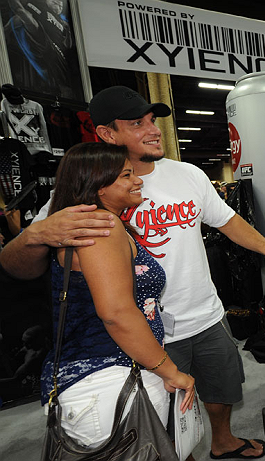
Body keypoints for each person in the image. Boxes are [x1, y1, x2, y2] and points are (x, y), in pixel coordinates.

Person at [0, 86, 265, 459]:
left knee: (222, 386)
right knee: (160, 420)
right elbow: (20, 267)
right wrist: (33, 236)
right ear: (108, 134)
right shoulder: (86, 192)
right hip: (143, 332)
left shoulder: (187, 174)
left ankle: (222, 441)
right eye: (137, 123)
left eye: (152, 120)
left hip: (205, 313)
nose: (153, 129)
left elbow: (227, 220)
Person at [39, 142, 195, 447]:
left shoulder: (100, 226)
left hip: (115, 376)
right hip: (111, 380)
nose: (138, 179)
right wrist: (170, 371)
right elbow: (116, 313)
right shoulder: (102, 228)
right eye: (126, 175)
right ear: (99, 187)